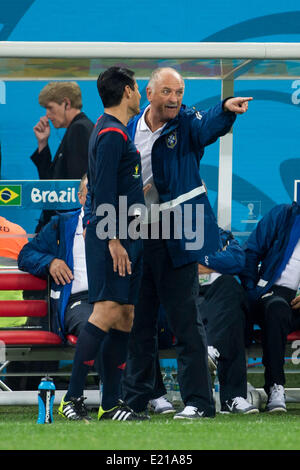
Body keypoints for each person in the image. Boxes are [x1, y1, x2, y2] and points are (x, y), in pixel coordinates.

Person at [122, 66, 252, 419]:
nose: (174, 99)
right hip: (139, 234)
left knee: (185, 322)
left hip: (179, 233)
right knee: (140, 321)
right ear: (148, 94)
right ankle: (135, 401)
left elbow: (208, 123)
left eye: (179, 92)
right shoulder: (129, 129)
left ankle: (198, 402)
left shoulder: (187, 122)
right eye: (167, 92)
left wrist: (226, 108)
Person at [58, 66, 148, 422]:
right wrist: (113, 239)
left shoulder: (114, 130)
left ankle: (111, 404)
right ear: (127, 91)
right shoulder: (110, 133)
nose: (139, 93)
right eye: (138, 88)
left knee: (125, 315)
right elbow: (104, 191)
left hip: (130, 235)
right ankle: (72, 398)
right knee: (106, 312)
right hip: (114, 236)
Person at [240, 201, 300, 413]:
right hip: (276, 293)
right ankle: (276, 386)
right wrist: (252, 290)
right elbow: (251, 252)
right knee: (276, 308)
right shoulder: (284, 215)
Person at [197, 228, 259, 414]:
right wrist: (217, 261)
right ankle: (232, 396)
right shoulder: (174, 235)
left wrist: (202, 261)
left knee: (230, 289)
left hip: (221, 295)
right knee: (232, 318)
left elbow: (237, 261)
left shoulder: (223, 236)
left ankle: (211, 351)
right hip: (190, 295)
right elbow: (176, 265)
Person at [30, 81, 94, 231]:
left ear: (66, 103)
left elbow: (73, 190)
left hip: (65, 229)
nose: (47, 115)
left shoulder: (79, 130)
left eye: (50, 108)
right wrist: (43, 144)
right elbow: (52, 183)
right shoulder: (77, 129)